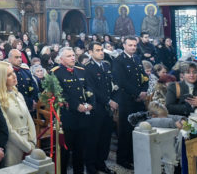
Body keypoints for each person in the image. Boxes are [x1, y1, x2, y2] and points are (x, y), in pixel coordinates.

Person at [52, 47, 96, 174]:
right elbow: (61, 94)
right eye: (69, 56)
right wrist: (76, 105)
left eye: (73, 55)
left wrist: (91, 103)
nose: (72, 58)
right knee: (64, 151)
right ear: (61, 59)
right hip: (68, 117)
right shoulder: (56, 73)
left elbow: (89, 88)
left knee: (80, 150)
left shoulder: (81, 71)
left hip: (83, 116)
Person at [0, 61, 36, 167]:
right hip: (12, 146)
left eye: (13, 72)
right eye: (9, 75)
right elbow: (8, 129)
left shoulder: (18, 94)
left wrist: (32, 142)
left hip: (29, 143)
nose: (14, 76)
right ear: (1, 78)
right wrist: (27, 147)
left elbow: (29, 120)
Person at [112, 36, 149, 169]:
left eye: (134, 45)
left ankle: (134, 156)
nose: (133, 47)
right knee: (126, 131)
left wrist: (144, 90)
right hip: (126, 100)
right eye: (130, 45)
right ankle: (122, 158)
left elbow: (144, 77)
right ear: (124, 45)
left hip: (139, 100)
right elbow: (121, 81)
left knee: (138, 128)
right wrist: (137, 93)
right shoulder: (118, 60)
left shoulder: (137, 59)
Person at [84, 42, 117, 174]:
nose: (101, 52)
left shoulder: (106, 65)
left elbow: (110, 86)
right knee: (94, 138)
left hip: (107, 109)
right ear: (90, 52)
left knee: (105, 138)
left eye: (102, 50)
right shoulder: (87, 68)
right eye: (97, 50)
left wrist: (112, 100)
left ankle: (101, 163)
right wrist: (108, 101)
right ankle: (91, 166)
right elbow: (93, 90)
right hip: (96, 108)